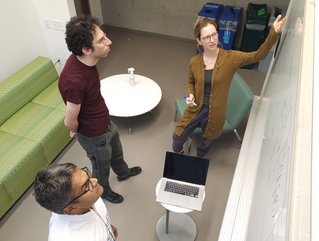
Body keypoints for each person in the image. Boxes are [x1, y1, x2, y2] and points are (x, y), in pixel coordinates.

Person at [173, 15, 287, 157]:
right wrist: (191, 93)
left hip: (215, 113)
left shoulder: (230, 58)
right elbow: (191, 82)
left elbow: (258, 55)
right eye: (207, 37)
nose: (212, 40)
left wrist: (273, 33)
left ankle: (198, 159)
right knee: (177, 136)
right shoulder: (194, 61)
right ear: (199, 41)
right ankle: (178, 154)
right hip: (196, 108)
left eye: (214, 34)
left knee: (206, 142)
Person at [59, 15, 141, 204]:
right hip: (94, 135)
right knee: (101, 166)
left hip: (105, 122)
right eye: (102, 40)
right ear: (86, 49)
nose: (109, 41)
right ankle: (103, 190)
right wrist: (76, 128)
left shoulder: (86, 60)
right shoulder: (74, 81)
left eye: (105, 36)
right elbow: (69, 121)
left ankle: (123, 172)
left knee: (117, 154)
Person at [34, 163, 118, 241]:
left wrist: (107, 228)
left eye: (87, 175)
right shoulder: (72, 237)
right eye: (85, 186)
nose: (94, 180)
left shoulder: (88, 196)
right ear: (71, 209)